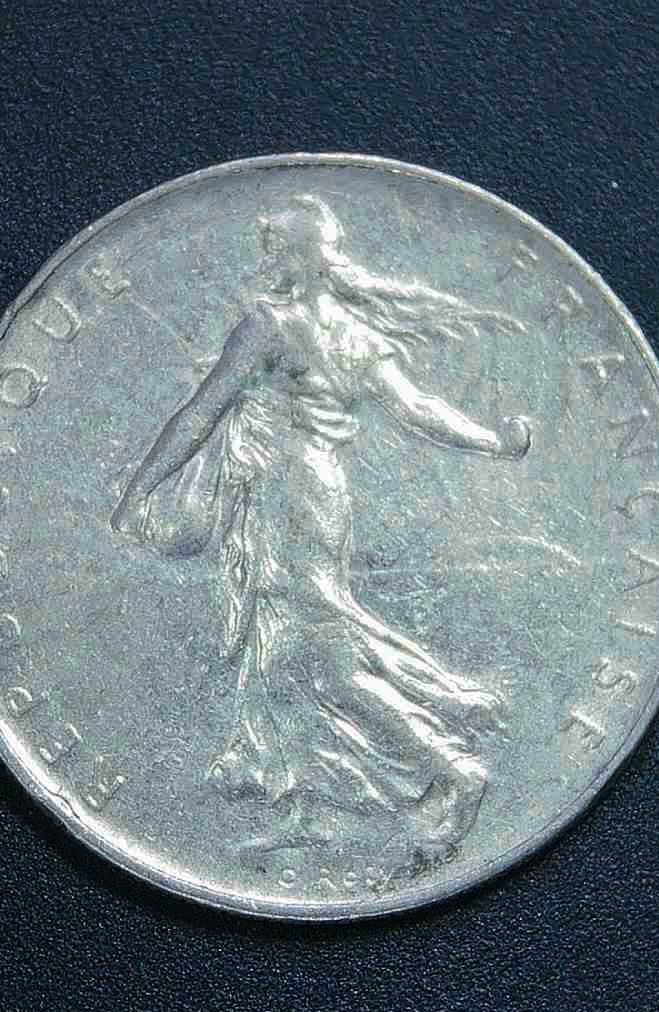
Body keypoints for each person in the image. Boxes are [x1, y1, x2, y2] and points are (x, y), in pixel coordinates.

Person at [110, 194, 531, 859]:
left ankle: (452, 768)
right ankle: (307, 807)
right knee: (283, 653)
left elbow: (200, 413)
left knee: (321, 658)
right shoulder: (354, 335)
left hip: (281, 495)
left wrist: (139, 490)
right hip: (320, 490)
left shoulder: (268, 325)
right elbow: (419, 408)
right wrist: (492, 440)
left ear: (301, 257)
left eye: (275, 247)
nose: (265, 258)